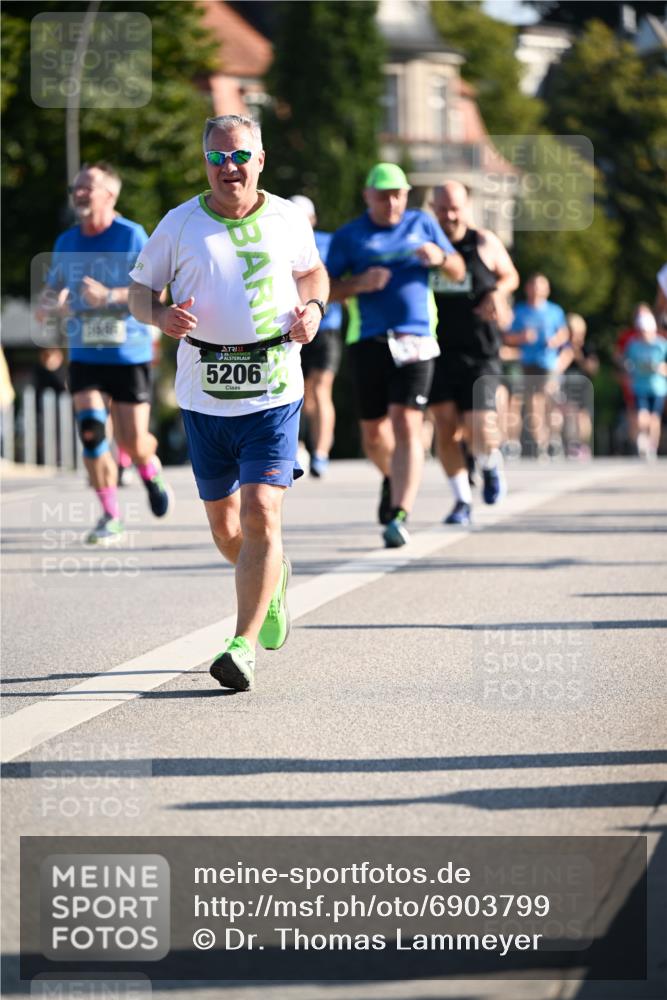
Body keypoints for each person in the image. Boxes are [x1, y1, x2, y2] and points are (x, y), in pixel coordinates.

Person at [128, 114, 328, 692]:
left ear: (260, 160)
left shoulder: (288, 218)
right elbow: (140, 291)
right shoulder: (180, 223)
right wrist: (160, 315)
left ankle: (240, 646)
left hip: (273, 390)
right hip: (204, 395)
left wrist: (312, 311)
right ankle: (272, 577)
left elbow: (314, 273)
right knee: (225, 530)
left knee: (262, 511)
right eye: (216, 158)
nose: (228, 168)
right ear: (205, 164)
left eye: (239, 156)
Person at [327, 163, 465, 548]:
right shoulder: (349, 236)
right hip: (367, 339)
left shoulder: (423, 224)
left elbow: (458, 269)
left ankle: (399, 514)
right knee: (373, 434)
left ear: (407, 196)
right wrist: (359, 283)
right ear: (368, 196)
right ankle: (392, 476)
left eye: (398, 195)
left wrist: (439, 257)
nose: (392, 203)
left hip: (417, 339)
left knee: (407, 423)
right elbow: (325, 289)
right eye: (384, 195)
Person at [38, 161, 172, 544]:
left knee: (134, 442)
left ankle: (148, 468)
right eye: (75, 188)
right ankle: (110, 515)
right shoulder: (66, 242)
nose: (78, 193)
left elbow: (153, 294)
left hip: (128, 354)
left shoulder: (132, 236)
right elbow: (52, 290)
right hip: (85, 354)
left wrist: (109, 296)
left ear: (110, 195)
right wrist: (51, 302)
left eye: (87, 187)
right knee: (92, 431)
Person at [427, 181, 519, 525]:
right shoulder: (426, 246)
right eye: (443, 208)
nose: (450, 215)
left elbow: (511, 275)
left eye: (456, 208)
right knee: (446, 429)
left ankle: (491, 463)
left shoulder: (483, 241)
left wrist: (497, 290)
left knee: (480, 426)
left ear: (466, 207)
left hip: (480, 350)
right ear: (432, 208)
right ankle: (462, 500)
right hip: (436, 350)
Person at [288, 195, 343, 478]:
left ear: (312, 219)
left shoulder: (330, 243)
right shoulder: (277, 240)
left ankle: (320, 452)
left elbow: (344, 281)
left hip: (326, 326)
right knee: (297, 391)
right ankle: (296, 448)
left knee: (321, 388)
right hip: (290, 328)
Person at [505, 273, 569, 459]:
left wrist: (555, 340)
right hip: (527, 361)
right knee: (533, 403)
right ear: (527, 288)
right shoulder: (520, 310)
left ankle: (553, 438)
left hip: (548, 361)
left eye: (541, 286)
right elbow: (507, 337)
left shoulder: (554, 311)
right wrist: (521, 338)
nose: (536, 289)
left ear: (547, 290)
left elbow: (564, 333)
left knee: (548, 396)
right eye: (533, 285)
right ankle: (541, 442)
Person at [623, 305, 667, 458]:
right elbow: (626, 362)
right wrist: (629, 371)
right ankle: (642, 438)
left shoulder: (661, 345)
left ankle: (652, 445)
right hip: (640, 386)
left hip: (658, 387)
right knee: (642, 416)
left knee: (655, 418)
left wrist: (661, 368)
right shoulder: (633, 345)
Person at [558, 313, 598, 459]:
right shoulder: (561, 347)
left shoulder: (587, 347)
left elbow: (592, 368)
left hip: (583, 385)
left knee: (583, 416)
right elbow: (556, 367)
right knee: (567, 414)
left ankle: (582, 446)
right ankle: (569, 445)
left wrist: (579, 355)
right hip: (565, 385)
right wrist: (567, 353)